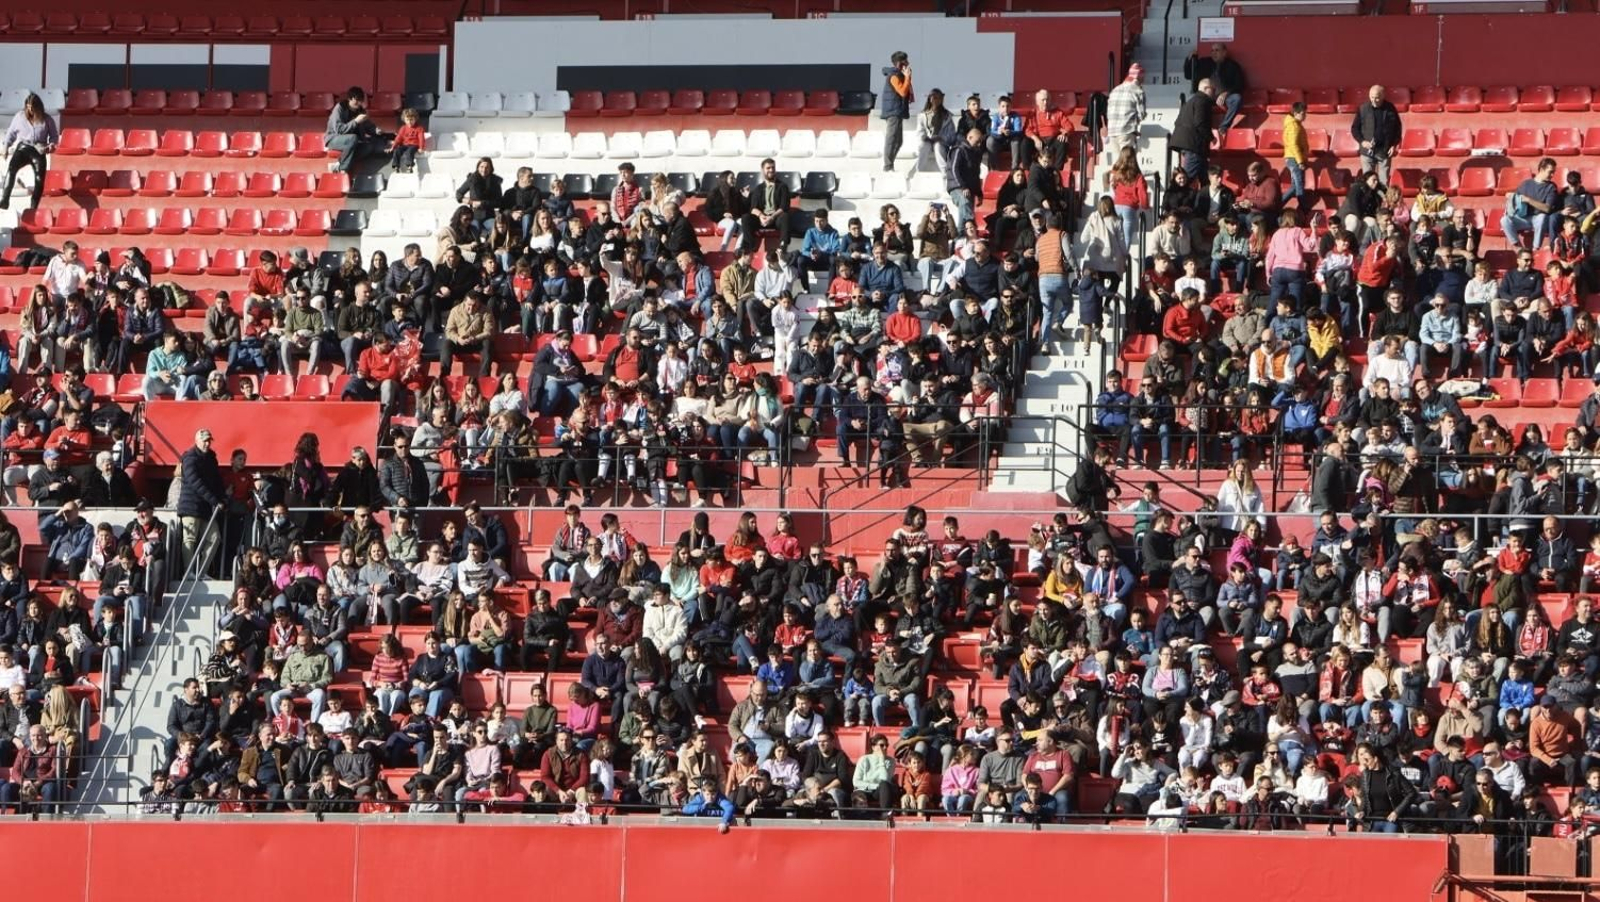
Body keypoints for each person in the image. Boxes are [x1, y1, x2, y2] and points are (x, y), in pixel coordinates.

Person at [1, 93, 58, 212]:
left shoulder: (47, 119)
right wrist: (6, 146)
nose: (30, 110)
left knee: (39, 179)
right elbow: (11, 133)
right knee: (12, 169)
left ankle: (34, 206)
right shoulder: (19, 116)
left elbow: (54, 137)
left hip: (39, 149)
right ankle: (5, 199)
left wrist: (50, 146)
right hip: (23, 148)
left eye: (32, 107)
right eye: (28, 107)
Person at [1350, 84, 1402, 189]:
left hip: (1384, 150)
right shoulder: (1363, 109)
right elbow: (1355, 128)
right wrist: (1362, 141)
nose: (1374, 100)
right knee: (1368, 182)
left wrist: (1393, 145)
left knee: (1384, 182)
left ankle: (1382, 204)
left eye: (1377, 97)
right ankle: (1369, 204)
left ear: (1383, 96)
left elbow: (1398, 129)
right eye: (1372, 97)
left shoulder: (1390, 109)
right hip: (1367, 152)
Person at [325, 86, 386, 173]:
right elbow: (339, 130)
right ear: (350, 99)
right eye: (356, 100)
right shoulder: (340, 108)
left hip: (354, 142)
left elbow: (368, 126)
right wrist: (356, 121)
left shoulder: (361, 111)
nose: (358, 103)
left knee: (369, 147)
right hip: (334, 138)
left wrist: (376, 130)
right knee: (353, 138)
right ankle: (343, 169)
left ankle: (338, 165)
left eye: (360, 100)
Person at [1170, 79, 1216, 184]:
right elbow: (1200, 123)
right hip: (1195, 146)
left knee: (1205, 181)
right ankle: (1177, 198)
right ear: (1206, 89)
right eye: (1213, 90)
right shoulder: (1203, 101)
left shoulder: (1191, 101)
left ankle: (1204, 199)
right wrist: (1211, 138)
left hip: (1190, 145)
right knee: (1186, 181)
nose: (1214, 93)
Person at [879, 51, 913, 173]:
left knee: (899, 141)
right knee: (892, 139)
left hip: (898, 110)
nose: (908, 63)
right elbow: (902, 92)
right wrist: (907, 77)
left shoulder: (900, 75)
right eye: (906, 61)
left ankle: (890, 164)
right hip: (893, 111)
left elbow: (906, 93)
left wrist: (907, 78)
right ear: (899, 63)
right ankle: (888, 166)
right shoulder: (893, 76)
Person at [1105, 63, 1147, 152]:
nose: (1144, 79)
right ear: (1138, 77)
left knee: (1118, 162)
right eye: (1143, 77)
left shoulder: (1115, 90)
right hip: (1126, 130)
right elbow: (1141, 115)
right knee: (1127, 162)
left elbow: (1109, 112)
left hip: (1112, 131)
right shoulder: (1138, 91)